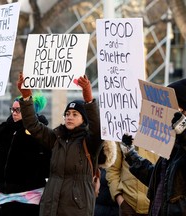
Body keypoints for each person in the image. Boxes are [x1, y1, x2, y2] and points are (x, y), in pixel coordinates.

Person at [17, 72, 105, 216]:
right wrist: (26, 97)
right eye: (67, 114)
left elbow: (97, 130)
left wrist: (89, 99)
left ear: (84, 119)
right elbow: (33, 126)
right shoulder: (56, 138)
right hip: (51, 207)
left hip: (77, 209)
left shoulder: (90, 142)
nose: (69, 117)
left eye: (75, 114)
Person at [0, 88, 51, 216]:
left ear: (29, 111)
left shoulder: (40, 133)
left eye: (18, 110)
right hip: (1, 195)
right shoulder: (6, 128)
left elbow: (49, 161)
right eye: (13, 109)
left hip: (29, 196)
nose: (14, 113)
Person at [120, 78, 186, 215]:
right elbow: (157, 180)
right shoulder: (172, 145)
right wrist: (131, 156)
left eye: (172, 107)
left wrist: (184, 133)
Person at [106, 142, 158, 216]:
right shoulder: (123, 133)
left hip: (154, 207)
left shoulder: (164, 133)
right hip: (128, 206)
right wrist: (119, 199)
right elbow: (113, 169)